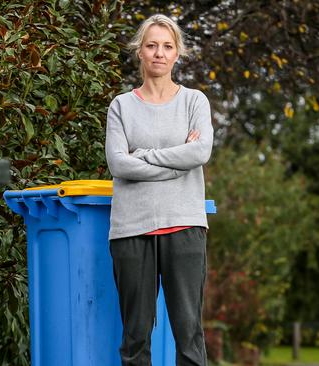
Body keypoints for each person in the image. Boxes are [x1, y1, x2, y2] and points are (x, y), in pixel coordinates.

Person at [105, 14, 214, 366]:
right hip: (131, 229)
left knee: (189, 335)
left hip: (184, 225)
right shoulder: (121, 106)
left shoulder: (194, 102)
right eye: (151, 45)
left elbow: (199, 152)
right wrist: (175, 164)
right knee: (135, 338)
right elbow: (119, 165)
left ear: (177, 53)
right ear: (140, 51)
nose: (159, 53)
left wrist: (146, 158)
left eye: (167, 46)